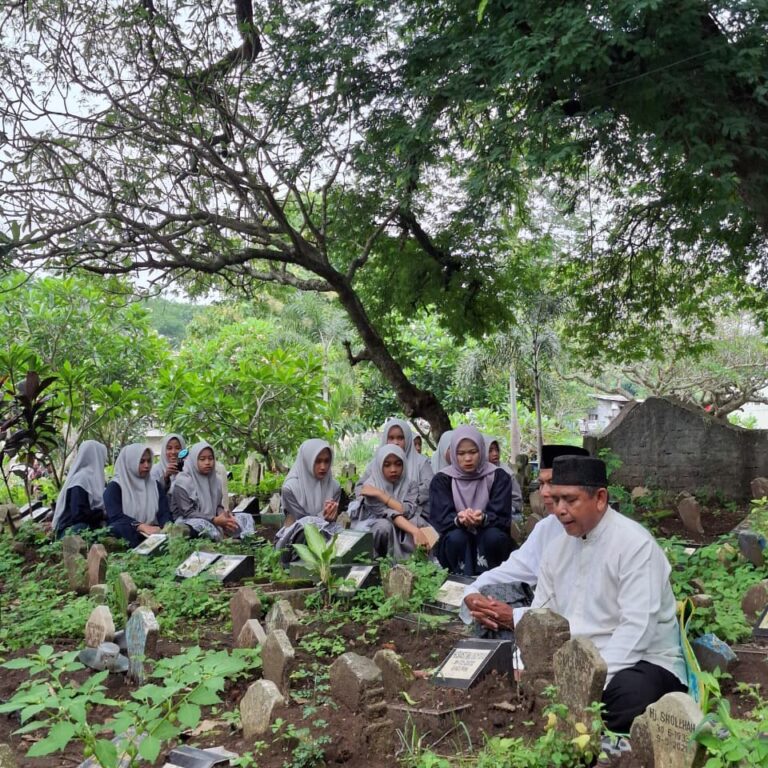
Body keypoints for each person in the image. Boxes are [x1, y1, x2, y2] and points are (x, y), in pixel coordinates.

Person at [510, 456, 687, 733]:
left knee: (627, 698)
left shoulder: (635, 546)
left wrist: (587, 683)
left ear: (600, 498)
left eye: (570, 500)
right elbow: (540, 616)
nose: (560, 510)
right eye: (556, 500)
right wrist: (529, 666)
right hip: (573, 664)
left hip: (640, 661)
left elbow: (636, 629)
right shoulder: (556, 550)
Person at [461, 444, 589, 636]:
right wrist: (473, 594)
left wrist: (515, 616)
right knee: (489, 600)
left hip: (591, 641)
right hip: (545, 620)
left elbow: (582, 611)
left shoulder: (619, 542)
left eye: (552, 483)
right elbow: (515, 568)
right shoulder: (548, 528)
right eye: (541, 483)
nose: (545, 492)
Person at [429, 425, 514, 576]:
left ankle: (495, 579)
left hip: (489, 532)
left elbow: (502, 516)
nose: (467, 458)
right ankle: (459, 578)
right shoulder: (442, 480)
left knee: (493, 537)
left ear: (481, 450)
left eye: (473, 452)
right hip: (456, 535)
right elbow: (440, 518)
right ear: (453, 454)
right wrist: (459, 519)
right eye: (461, 453)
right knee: (456, 538)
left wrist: (483, 518)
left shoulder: (498, 476)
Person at [352, 444, 432, 558]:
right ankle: (378, 562)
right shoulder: (370, 487)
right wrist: (414, 531)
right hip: (374, 524)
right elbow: (388, 514)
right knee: (384, 526)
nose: (393, 470)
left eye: (398, 464)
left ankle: (422, 562)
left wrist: (382, 495)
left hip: (401, 520)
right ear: (379, 466)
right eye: (387, 465)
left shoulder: (410, 484)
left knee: (419, 522)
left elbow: (407, 511)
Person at [170, 441, 254, 540]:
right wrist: (214, 520)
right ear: (193, 460)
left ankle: (247, 541)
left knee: (245, 517)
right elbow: (188, 513)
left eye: (210, 458)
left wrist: (225, 515)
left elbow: (218, 506)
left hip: (214, 519)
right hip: (189, 521)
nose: (207, 462)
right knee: (200, 524)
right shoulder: (182, 482)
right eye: (202, 459)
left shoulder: (216, 480)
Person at [275, 439, 343, 553]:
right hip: (294, 541)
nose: (323, 467)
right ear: (307, 461)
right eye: (318, 461)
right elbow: (303, 522)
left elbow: (330, 522)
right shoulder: (290, 489)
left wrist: (331, 516)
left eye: (327, 461)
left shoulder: (334, 487)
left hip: (326, 535)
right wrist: (323, 516)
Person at [358, 419, 434, 518]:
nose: (396, 443)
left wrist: (399, 498)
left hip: (414, 513)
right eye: (391, 438)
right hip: (381, 513)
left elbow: (429, 487)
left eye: (400, 438)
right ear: (385, 439)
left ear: (408, 438)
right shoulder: (376, 463)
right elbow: (361, 487)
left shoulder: (421, 462)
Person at [104, 443, 171, 548]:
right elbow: (115, 516)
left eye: (149, 461)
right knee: (117, 527)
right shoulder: (115, 486)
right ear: (130, 463)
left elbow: (164, 512)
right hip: (130, 529)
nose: (147, 465)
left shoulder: (154, 485)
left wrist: (166, 527)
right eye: (141, 461)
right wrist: (141, 526)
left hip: (153, 530)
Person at [52, 440, 108, 539]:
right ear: (96, 456)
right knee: (84, 529)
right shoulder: (81, 479)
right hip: (69, 530)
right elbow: (78, 515)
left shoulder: (95, 478)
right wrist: (102, 514)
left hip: (85, 524)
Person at [484, 436, 524, 517]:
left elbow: (517, 500)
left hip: (509, 510)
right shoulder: (477, 473)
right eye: (490, 450)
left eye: (497, 450)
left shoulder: (506, 472)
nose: (495, 453)